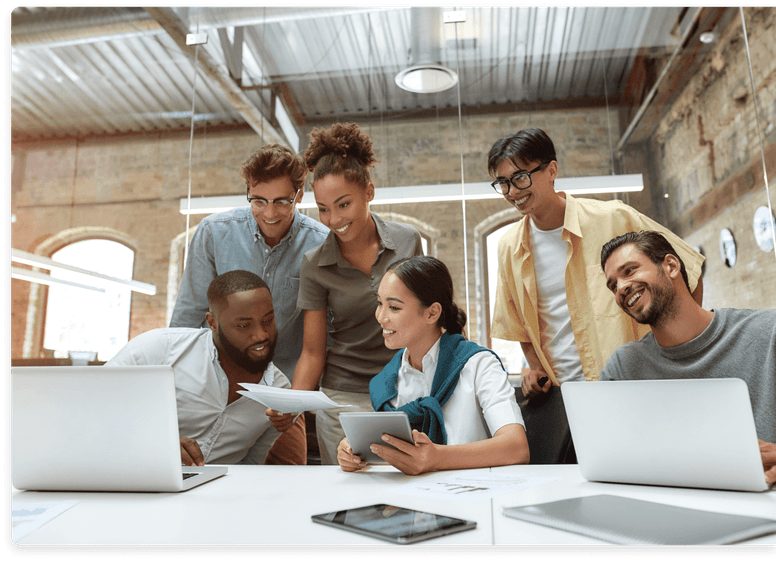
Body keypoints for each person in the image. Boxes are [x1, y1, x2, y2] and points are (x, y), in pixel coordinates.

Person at [488, 128, 705, 401]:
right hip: (564, 399)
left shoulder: (614, 218)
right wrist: (535, 366)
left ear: (551, 170)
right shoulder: (510, 248)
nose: (512, 191)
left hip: (636, 386)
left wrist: (684, 354)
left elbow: (689, 272)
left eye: (520, 177)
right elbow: (519, 325)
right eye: (503, 183)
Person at [270, 122, 423, 465]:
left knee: (404, 486)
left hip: (404, 388)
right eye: (323, 208)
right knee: (348, 488)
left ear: (369, 192)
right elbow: (312, 352)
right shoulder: (315, 264)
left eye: (343, 204)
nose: (333, 219)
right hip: (343, 397)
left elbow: (427, 321)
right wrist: (293, 404)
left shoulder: (408, 242)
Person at [600, 230, 776, 483]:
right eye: (613, 285)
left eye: (630, 271)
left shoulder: (768, 333)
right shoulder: (623, 368)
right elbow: (609, 457)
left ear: (671, 266)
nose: (621, 288)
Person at [337, 256, 529, 475]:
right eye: (379, 303)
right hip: (412, 500)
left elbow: (516, 447)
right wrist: (356, 452)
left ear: (432, 313)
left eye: (394, 307)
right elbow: (396, 454)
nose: (381, 317)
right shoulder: (387, 381)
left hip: (476, 494)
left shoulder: (479, 365)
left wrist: (436, 457)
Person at [107, 270, 306, 466]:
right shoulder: (160, 351)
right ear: (213, 323)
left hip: (218, 493)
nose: (261, 335)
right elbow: (92, 409)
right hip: (138, 480)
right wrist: (156, 442)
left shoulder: (279, 392)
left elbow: (252, 465)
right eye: (244, 326)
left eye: (268, 321)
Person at [170, 144, 329, 381]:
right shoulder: (213, 234)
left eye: (282, 201)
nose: (269, 213)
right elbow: (187, 319)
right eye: (259, 201)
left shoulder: (322, 244)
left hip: (285, 384)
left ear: (299, 195)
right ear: (248, 192)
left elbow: (327, 334)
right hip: (217, 381)